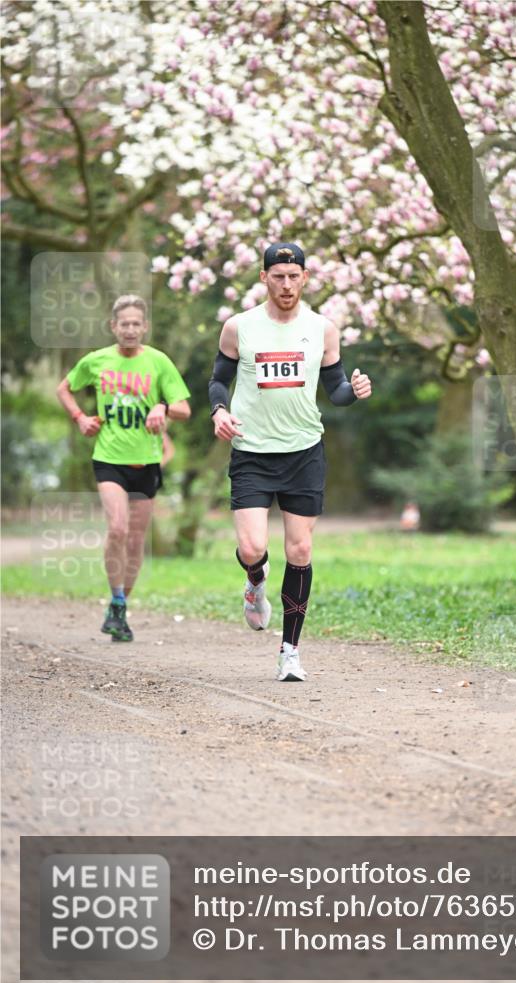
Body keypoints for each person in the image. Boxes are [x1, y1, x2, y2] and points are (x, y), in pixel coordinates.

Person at [209, 242, 372, 682]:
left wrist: (352, 392)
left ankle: (290, 651)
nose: (286, 284)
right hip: (252, 453)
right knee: (252, 548)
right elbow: (218, 381)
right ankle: (255, 581)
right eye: (277, 275)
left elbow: (334, 389)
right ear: (264, 277)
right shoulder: (238, 327)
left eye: (293, 276)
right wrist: (219, 411)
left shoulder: (323, 329)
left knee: (299, 550)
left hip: (303, 451)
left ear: (304, 278)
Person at [56, 294, 191, 642]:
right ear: (113, 326)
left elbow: (184, 409)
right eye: (124, 324)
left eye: (136, 324)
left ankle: (119, 607)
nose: (130, 329)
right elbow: (65, 388)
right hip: (109, 459)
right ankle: (116, 600)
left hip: (146, 462)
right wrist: (80, 418)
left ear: (144, 327)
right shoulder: (97, 361)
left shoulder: (159, 362)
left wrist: (163, 407)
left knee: (134, 541)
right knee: (117, 528)